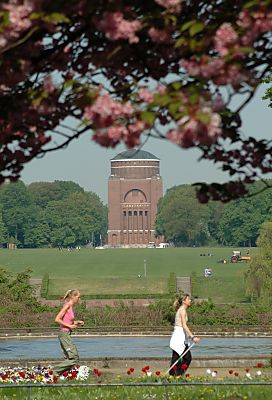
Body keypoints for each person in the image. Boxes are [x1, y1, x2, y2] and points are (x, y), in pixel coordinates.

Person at [53, 289, 84, 376]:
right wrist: (70, 326)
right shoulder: (67, 305)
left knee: (69, 358)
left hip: (66, 333)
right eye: (78, 297)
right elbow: (57, 319)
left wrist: (76, 322)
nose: (79, 299)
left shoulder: (70, 306)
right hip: (64, 334)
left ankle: (58, 376)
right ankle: (53, 371)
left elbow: (67, 321)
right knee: (74, 358)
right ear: (73, 297)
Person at [169, 293, 200, 377]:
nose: (190, 300)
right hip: (178, 337)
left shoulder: (182, 309)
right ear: (184, 301)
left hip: (181, 336)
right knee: (183, 358)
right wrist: (192, 337)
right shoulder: (182, 310)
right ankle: (175, 376)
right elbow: (184, 325)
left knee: (183, 358)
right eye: (188, 299)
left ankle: (176, 376)